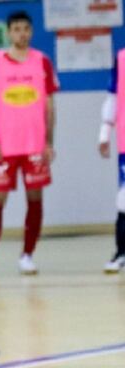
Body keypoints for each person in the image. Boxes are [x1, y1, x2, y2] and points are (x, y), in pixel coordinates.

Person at [0, 11, 59, 277]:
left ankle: (27, 255)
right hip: (5, 146)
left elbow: (49, 105)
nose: (21, 33)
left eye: (26, 29)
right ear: (9, 32)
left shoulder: (42, 61)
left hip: (34, 146)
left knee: (35, 198)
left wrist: (48, 142)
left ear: (31, 32)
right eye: (16, 29)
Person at [97, 46, 125, 273]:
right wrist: (104, 132)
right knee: (124, 200)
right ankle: (122, 251)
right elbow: (113, 96)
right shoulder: (122, 58)